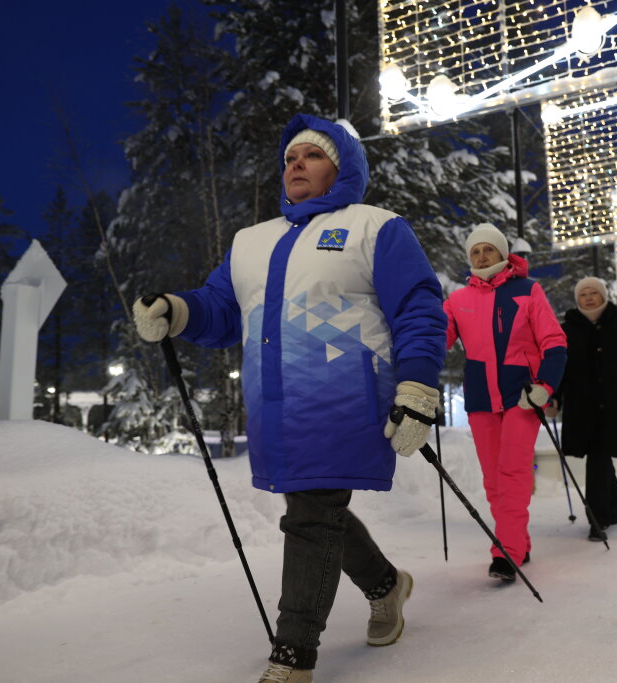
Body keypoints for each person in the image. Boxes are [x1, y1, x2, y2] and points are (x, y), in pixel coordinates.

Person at [132, 114, 446, 683]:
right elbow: (221, 308)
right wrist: (177, 310)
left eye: (312, 155)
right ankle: (385, 585)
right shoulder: (251, 241)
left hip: (347, 400)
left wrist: (419, 388)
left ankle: (293, 655)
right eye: (289, 158)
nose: (296, 164)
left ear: (341, 169)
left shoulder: (376, 227)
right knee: (315, 506)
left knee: (311, 514)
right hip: (275, 405)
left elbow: (418, 309)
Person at [444, 224, 568, 582]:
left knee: (513, 472)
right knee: (493, 479)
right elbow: (437, 340)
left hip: (522, 396)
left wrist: (546, 385)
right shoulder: (457, 300)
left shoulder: (527, 290)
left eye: (489, 249)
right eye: (476, 251)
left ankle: (506, 552)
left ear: (502, 253)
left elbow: (554, 341)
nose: (482, 256)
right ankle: (518, 543)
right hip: (481, 397)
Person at [553, 277, 617, 542]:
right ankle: (614, 503)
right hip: (581, 406)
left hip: (615, 405)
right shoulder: (567, 330)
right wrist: (554, 398)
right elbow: (560, 368)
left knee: (598, 456)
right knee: (599, 456)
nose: (588, 298)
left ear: (603, 296)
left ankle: (597, 519)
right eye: (583, 294)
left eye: (593, 293)